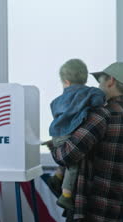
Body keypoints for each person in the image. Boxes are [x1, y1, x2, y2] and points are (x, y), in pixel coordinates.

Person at [50, 62, 123, 222]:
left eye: (100, 81)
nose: (98, 86)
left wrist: (55, 144)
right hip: (113, 212)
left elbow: (66, 155)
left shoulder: (103, 114)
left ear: (111, 81)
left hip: (90, 212)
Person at [45, 59, 105, 210]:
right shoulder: (90, 92)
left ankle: (57, 177)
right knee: (73, 164)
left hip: (56, 135)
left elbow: (54, 110)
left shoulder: (57, 101)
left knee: (66, 156)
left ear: (65, 81)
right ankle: (66, 196)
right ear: (85, 78)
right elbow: (99, 99)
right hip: (70, 135)